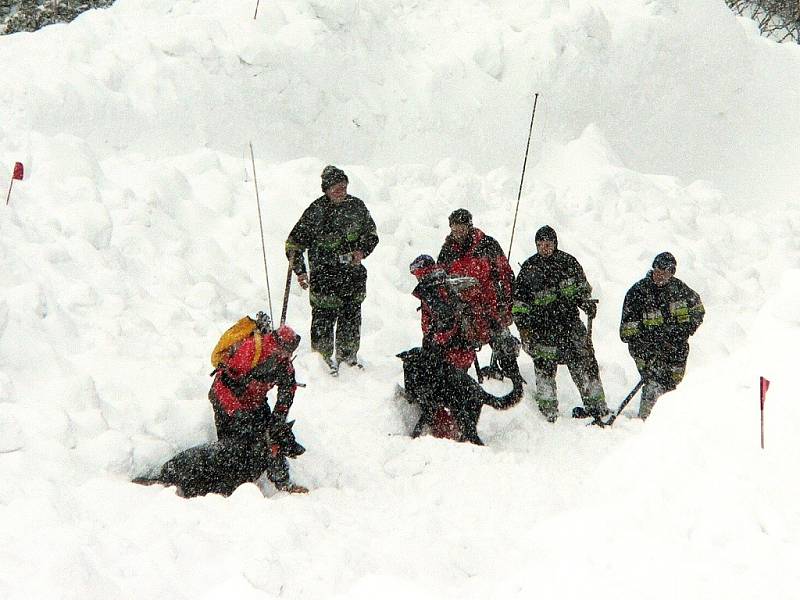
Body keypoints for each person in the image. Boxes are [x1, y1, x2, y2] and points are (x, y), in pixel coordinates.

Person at [134, 314, 308, 496]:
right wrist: (239, 413)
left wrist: (279, 417)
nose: (289, 356)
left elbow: (287, 391)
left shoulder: (283, 363)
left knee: (265, 440)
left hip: (253, 402)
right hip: (227, 401)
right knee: (235, 447)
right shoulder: (251, 350)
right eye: (287, 351)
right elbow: (227, 381)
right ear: (280, 346)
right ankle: (223, 485)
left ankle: (261, 482)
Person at [285, 165, 379, 373]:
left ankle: (348, 359)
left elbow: (371, 234)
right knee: (323, 321)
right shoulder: (315, 212)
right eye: (336, 188)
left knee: (351, 318)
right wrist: (300, 271)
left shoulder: (357, 207)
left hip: (351, 277)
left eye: (344, 187)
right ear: (326, 190)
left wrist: (362, 251)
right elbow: (293, 244)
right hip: (324, 277)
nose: (341, 191)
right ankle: (321, 362)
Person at [513, 226, 608, 423]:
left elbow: (583, 290)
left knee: (585, 364)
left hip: (570, 325)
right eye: (540, 244)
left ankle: (597, 407)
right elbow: (519, 305)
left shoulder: (568, 263)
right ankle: (548, 413)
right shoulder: (529, 269)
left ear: (555, 244)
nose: (544, 248)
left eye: (548, 244)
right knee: (544, 370)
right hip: (543, 331)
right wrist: (525, 329)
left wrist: (587, 305)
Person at [436, 209, 522, 390]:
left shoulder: (487, 244)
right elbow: (441, 284)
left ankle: (515, 382)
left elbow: (505, 275)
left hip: (490, 308)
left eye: (462, 226)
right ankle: (459, 389)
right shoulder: (446, 251)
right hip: (463, 313)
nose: (458, 231)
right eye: (454, 227)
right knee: (459, 354)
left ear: (469, 226)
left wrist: (507, 304)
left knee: (504, 345)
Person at [619, 252, 705, 419]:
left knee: (673, 386)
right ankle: (647, 419)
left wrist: (683, 330)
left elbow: (698, 310)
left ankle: (670, 420)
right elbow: (625, 332)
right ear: (653, 269)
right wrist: (650, 338)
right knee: (654, 382)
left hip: (676, 349)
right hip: (646, 351)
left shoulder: (680, 290)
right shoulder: (637, 292)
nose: (661, 276)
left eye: (667, 272)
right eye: (659, 270)